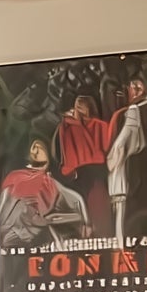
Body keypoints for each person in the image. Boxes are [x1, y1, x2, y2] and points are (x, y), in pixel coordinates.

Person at [106, 70, 147, 244]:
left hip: (138, 165)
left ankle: (133, 242)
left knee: (134, 207)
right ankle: (143, 240)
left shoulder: (135, 109)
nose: (134, 90)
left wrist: (113, 160)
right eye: (132, 87)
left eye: (136, 86)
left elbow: (123, 141)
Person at [0, 138, 89, 248]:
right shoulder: (15, 177)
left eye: (39, 147)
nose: (35, 150)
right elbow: (3, 206)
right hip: (12, 230)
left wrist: (87, 223)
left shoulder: (51, 183)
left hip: (36, 231)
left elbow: (76, 199)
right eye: (33, 148)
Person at [53, 93, 116, 236]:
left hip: (97, 170)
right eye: (77, 107)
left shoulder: (101, 126)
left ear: (90, 107)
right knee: (84, 204)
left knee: (98, 204)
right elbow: (67, 151)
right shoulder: (67, 127)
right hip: (81, 171)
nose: (79, 110)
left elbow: (108, 147)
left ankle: (101, 233)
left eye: (82, 106)